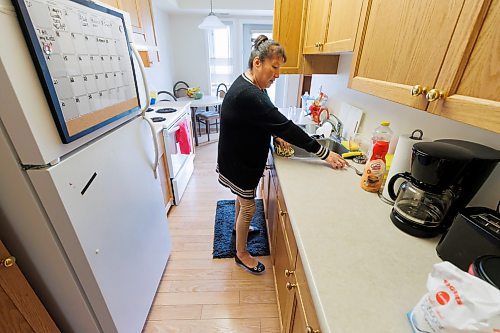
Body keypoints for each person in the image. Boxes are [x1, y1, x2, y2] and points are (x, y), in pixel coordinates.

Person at [217, 35, 347, 274]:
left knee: (241, 200)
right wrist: (323, 152)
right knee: (249, 208)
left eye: (279, 68)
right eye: (274, 67)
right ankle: (241, 253)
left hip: (234, 156)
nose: (277, 74)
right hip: (240, 161)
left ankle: (239, 230)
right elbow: (285, 125)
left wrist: (274, 132)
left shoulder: (252, 84)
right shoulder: (251, 94)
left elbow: (264, 119)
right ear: (258, 63)